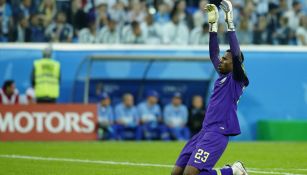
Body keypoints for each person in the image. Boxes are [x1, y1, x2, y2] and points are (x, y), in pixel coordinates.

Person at [171, 1, 249, 175]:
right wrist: (213, 26)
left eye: (225, 59)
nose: (221, 60)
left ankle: (232, 171)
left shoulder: (237, 79)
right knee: (176, 173)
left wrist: (229, 21)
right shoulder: (222, 77)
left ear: (235, 64)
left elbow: (236, 55)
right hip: (204, 131)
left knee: (191, 174)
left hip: (217, 134)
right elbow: (213, 53)